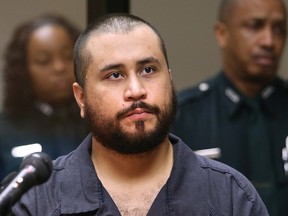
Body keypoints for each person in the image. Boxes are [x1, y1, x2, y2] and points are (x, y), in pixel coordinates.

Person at [9, 13, 268, 216]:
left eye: (148, 70)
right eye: (115, 75)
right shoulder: (37, 202)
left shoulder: (231, 196)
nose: (136, 90)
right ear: (82, 98)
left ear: (170, 79)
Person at [171, 0, 288, 215]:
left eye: (279, 29)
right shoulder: (184, 117)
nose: (269, 41)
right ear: (222, 34)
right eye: (255, 25)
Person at [0, 14, 88, 181]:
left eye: (68, 56)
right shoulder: (4, 130)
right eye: (44, 61)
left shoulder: (97, 119)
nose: (59, 67)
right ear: (23, 69)